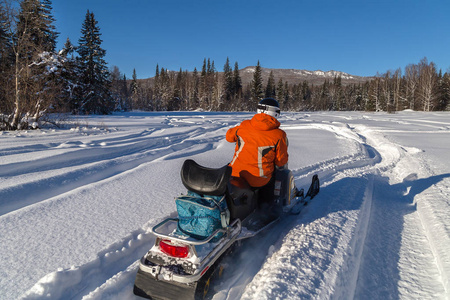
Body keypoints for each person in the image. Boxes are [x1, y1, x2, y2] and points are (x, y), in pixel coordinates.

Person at [226, 98, 288, 190]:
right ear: (275, 113)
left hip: (234, 174)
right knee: (278, 174)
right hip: (259, 180)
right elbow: (281, 161)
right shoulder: (279, 135)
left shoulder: (245, 125)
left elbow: (229, 137)